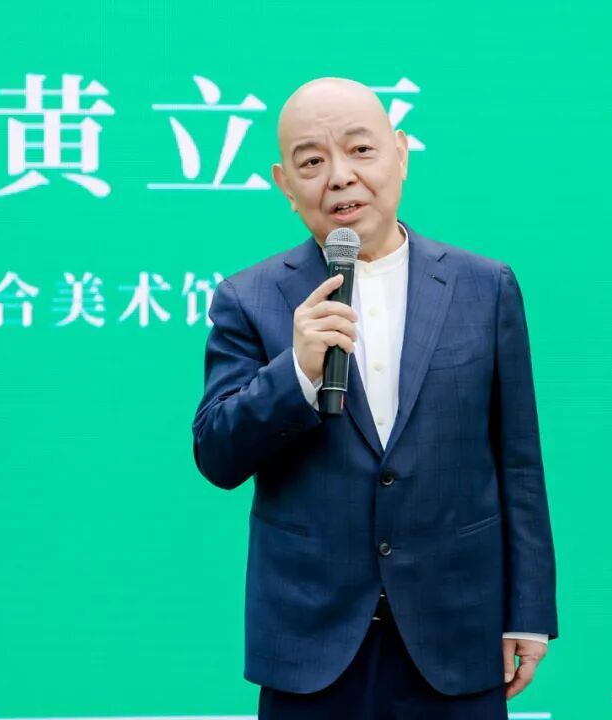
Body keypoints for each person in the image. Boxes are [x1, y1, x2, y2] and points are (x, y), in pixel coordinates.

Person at [191, 77, 558, 719]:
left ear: (401, 153)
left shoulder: (485, 286)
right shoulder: (249, 299)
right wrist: (297, 373)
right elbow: (216, 454)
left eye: (361, 150)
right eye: (311, 161)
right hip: (311, 643)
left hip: (457, 631)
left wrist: (527, 611)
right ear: (285, 184)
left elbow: (518, 463)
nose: (340, 177)